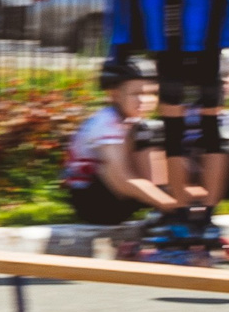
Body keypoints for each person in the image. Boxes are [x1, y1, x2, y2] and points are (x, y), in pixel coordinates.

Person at [110, 0, 229, 262]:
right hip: (212, 40)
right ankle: (206, 217)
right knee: (213, 125)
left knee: (173, 126)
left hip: (165, 42)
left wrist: (120, 44)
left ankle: (179, 214)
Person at [62, 51, 172, 235]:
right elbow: (121, 179)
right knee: (147, 132)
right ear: (115, 95)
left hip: (118, 196)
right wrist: (170, 205)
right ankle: (164, 213)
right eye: (136, 94)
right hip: (94, 202)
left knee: (161, 135)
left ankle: (167, 213)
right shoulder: (105, 122)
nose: (144, 101)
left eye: (151, 93)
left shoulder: (131, 121)